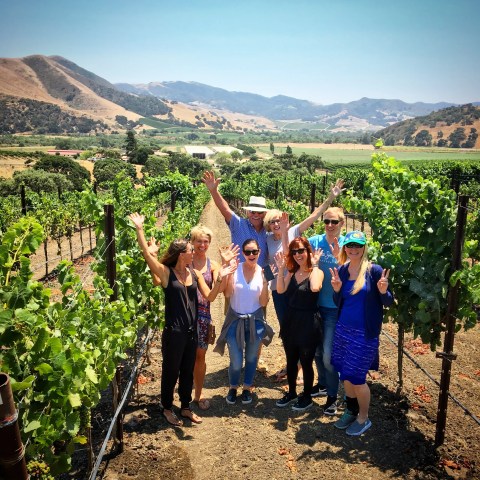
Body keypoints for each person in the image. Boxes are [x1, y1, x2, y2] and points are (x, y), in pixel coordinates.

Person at [129, 212, 236, 427]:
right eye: (189, 250)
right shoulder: (167, 273)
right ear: (181, 255)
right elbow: (147, 256)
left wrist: (221, 277)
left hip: (192, 330)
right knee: (171, 370)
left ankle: (185, 407)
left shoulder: (194, 273)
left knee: (187, 370)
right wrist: (140, 230)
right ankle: (167, 407)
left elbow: (211, 296)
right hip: (174, 331)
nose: (193, 251)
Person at [264, 180, 344, 382]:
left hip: (298, 286)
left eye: (279, 221)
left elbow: (315, 216)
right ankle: (294, 363)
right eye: (272, 222)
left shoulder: (293, 232)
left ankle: (300, 369)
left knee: (304, 329)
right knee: (287, 327)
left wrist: (331, 197)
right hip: (279, 288)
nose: (276, 224)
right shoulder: (266, 239)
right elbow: (263, 261)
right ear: (268, 224)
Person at [329, 230, 393, 436]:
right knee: (345, 375)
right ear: (345, 248)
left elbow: (388, 302)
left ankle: (364, 418)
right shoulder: (343, 270)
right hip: (343, 330)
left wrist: (384, 292)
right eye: (350, 245)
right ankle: (351, 410)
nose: (353, 249)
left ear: (364, 247)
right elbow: (337, 302)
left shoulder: (374, 271)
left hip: (364, 333)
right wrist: (337, 290)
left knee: (357, 378)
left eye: (358, 245)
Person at [213, 239, 274, 405]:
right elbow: (226, 293)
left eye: (254, 251)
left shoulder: (265, 271)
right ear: (243, 253)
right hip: (235, 320)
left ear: (259, 252)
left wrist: (264, 281)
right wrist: (226, 268)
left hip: (255, 320)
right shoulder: (235, 268)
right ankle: (233, 387)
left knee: (252, 357)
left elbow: (263, 303)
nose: (251, 255)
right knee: (236, 360)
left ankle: (247, 388)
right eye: (247, 252)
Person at [274, 237, 323, 411]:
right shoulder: (292, 272)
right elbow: (280, 290)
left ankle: (307, 396)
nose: (297, 255)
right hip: (291, 321)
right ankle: (292, 392)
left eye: (301, 250)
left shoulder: (316, 272)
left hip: (308, 322)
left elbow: (316, 287)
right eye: (294, 252)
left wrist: (315, 265)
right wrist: (281, 270)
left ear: (308, 251)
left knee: (306, 361)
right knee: (291, 360)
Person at [308, 205, 345, 415]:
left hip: (334, 308)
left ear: (342, 223)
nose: (330, 225)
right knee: (317, 350)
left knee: (329, 355)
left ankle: (333, 396)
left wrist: (341, 258)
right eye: (326, 221)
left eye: (334, 222)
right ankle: (322, 385)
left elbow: (353, 273)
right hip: (315, 306)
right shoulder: (315, 242)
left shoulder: (348, 244)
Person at [202, 170, 268, 267]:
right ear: (247, 212)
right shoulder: (239, 225)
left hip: (260, 276)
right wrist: (214, 191)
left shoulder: (269, 231)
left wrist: (267, 279)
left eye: (260, 212)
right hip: (238, 276)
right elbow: (225, 209)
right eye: (252, 212)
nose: (256, 215)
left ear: (265, 213)